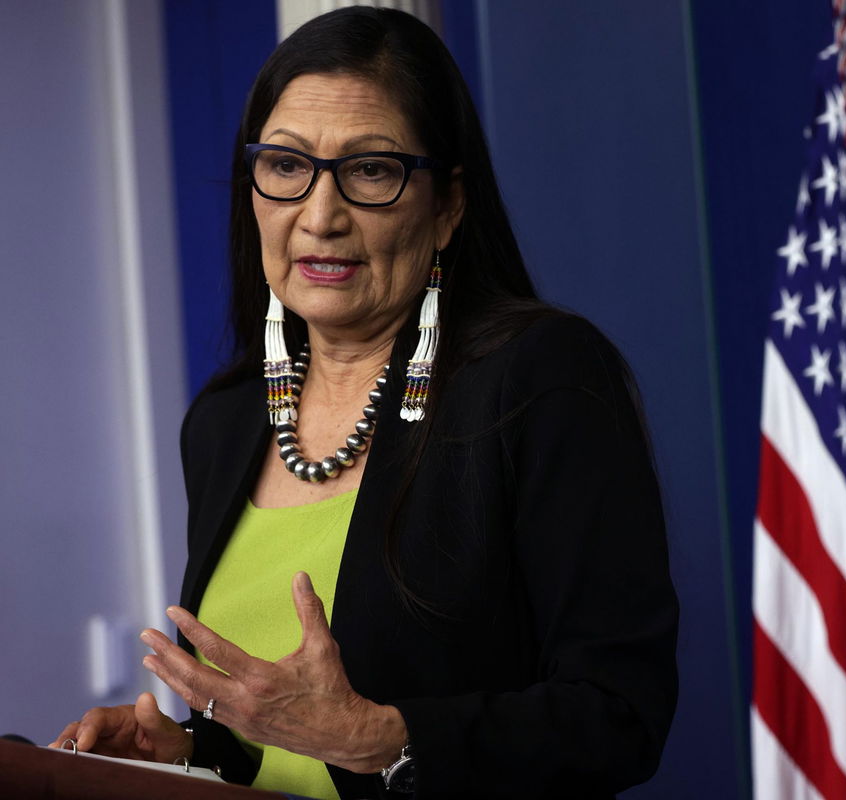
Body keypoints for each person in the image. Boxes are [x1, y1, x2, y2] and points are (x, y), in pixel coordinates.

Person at [49, 7, 678, 799]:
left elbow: (621, 716)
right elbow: (284, 748)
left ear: (447, 205)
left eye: (372, 170)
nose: (319, 215)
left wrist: (379, 739)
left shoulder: (542, 379)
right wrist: (185, 750)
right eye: (286, 165)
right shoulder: (225, 420)